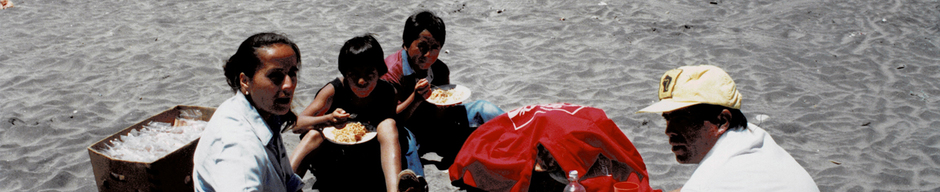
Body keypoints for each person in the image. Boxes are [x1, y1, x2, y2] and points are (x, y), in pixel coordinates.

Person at [636, 65, 819, 192]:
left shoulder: (713, 178)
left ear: (723, 121)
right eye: (667, 118)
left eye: (683, 119)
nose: (669, 130)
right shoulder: (751, 136)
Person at [288, 35, 424, 192]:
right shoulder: (334, 91)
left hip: (369, 161)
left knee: (388, 125)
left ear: (379, 71)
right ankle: (283, 182)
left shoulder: (386, 92)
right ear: (345, 73)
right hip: (334, 160)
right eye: (354, 74)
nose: (361, 81)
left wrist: (415, 98)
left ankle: (394, 188)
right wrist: (328, 119)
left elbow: (395, 120)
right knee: (314, 134)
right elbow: (296, 125)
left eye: (369, 73)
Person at [381, 10, 505, 168]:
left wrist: (443, 107)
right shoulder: (392, 71)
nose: (428, 54)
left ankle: (523, 137)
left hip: (434, 128)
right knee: (406, 142)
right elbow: (390, 120)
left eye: (434, 47)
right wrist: (416, 98)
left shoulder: (440, 70)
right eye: (422, 47)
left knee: (483, 108)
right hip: (407, 129)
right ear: (406, 43)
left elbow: (439, 118)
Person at [192, 32, 303, 192]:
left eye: (292, 73)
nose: (288, 85)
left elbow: (289, 182)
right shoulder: (238, 150)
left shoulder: (266, 115)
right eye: (276, 76)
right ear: (245, 81)